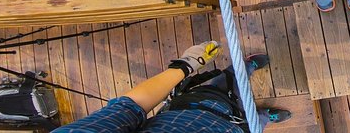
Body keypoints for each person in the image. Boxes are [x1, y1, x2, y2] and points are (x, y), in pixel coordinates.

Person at [53, 41, 291, 132]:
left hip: (195, 112)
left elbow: (129, 107)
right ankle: (260, 118)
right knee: (252, 124)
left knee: (223, 86)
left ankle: (241, 70)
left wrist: (186, 66)